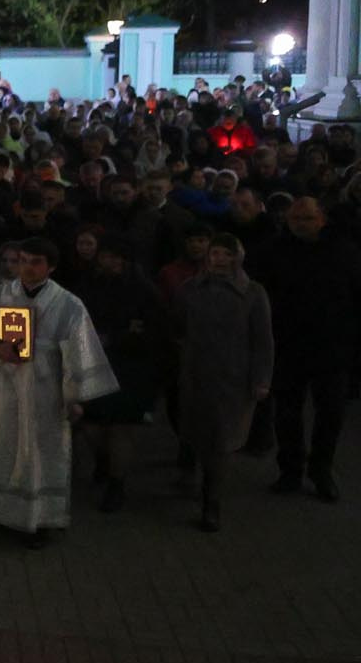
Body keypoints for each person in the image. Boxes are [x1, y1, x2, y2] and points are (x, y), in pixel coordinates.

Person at [0, 237, 118, 548]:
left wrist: (74, 398)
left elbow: (80, 352)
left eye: (35, 262)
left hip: (45, 392)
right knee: (1, 448)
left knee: (42, 455)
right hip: (2, 388)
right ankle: (3, 514)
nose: (27, 268)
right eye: (22, 260)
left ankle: (41, 521)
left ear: (51, 267)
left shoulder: (69, 304)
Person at [67, 235, 171, 513]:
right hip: (93, 364)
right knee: (92, 428)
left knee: (121, 428)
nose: (109, 262)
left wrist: (122, 338)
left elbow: (155, 332)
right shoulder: (88, 286)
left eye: (115, 257)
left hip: (131, 369)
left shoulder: (144, 291)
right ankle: (105, 461)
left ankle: (117, 482)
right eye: (105, 256)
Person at [176, 234, 273, 531]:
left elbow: (263, 340)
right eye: (214, 253)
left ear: (237, 258)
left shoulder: (253, 293)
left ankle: (211, 501)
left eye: (226, 254)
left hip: (233, 378)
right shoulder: (190, 289)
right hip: (195, 374)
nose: (219, 259)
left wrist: (261, 378)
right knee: (194, 431)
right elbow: (177, 329)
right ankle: (189, 475)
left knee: (220, 442)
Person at [262, 196, 356, 502]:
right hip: (289, 345)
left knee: (330, 413)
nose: (300, 224)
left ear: (322, 220)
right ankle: (290, 469)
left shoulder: (343, 252)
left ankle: (321, 469)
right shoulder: (276, 251)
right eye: (295, 219)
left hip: (332, 346)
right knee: (288, 412)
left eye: (307, 219)